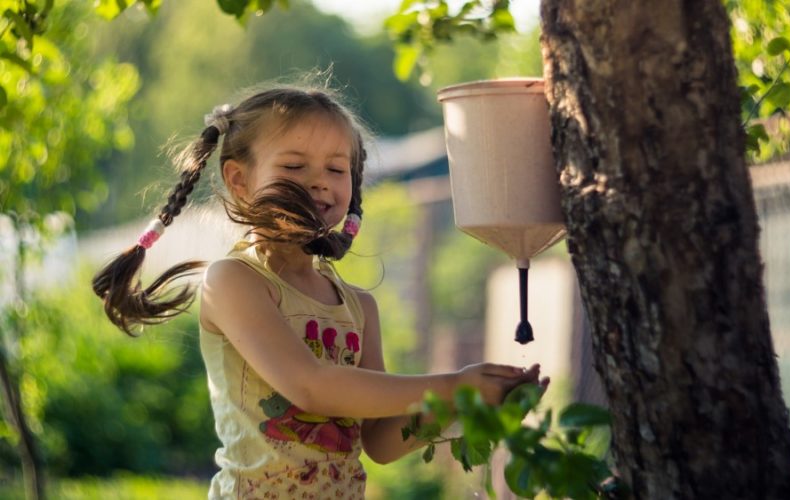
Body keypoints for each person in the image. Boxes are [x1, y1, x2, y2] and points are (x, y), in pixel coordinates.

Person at [92, 84, 549, 499]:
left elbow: (382, 442)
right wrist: (450, 381)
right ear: (238, 180)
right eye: (294, 165)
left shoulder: (358, 307)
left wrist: (462, 400)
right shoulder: (235, 282)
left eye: (337, 168)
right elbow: (312, 387)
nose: (320, 180)